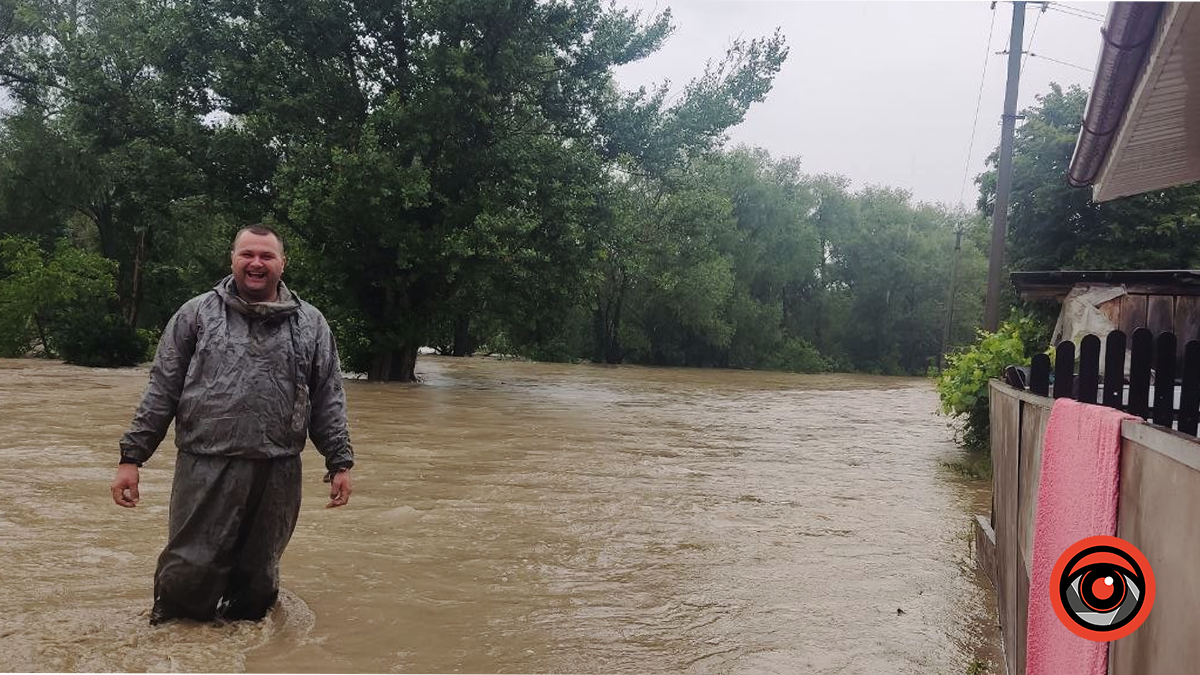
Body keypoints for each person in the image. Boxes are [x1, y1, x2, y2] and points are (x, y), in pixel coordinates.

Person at [110, 223, 354, 624]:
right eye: (248, 254)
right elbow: (162, 390)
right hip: (205, 462)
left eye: (266, 256)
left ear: (282, 263)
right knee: (189, 570)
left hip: (278, 469)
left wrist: (339, 463)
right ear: (233, 259)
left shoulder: (311, 323)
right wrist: (131, 458)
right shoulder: (196, 314)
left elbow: (328, 397)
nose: (256, 263)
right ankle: (177, 648)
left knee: (258, 579)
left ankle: (245, 654)